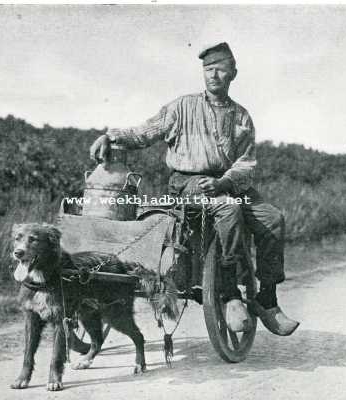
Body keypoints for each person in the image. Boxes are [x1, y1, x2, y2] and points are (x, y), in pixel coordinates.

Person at [90, 42, 299, 336]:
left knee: (272, 218)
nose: (213, 75)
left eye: (220, 69)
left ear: (233, 74)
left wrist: (224, 181)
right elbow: (144, 132)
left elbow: (246, 163)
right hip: (189, 182)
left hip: (227, 181)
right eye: (207, 69)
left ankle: (267, 297)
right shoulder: (182, 107)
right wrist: (110, 137)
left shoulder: (241, 116)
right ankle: (230, 294)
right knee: (228, 209)